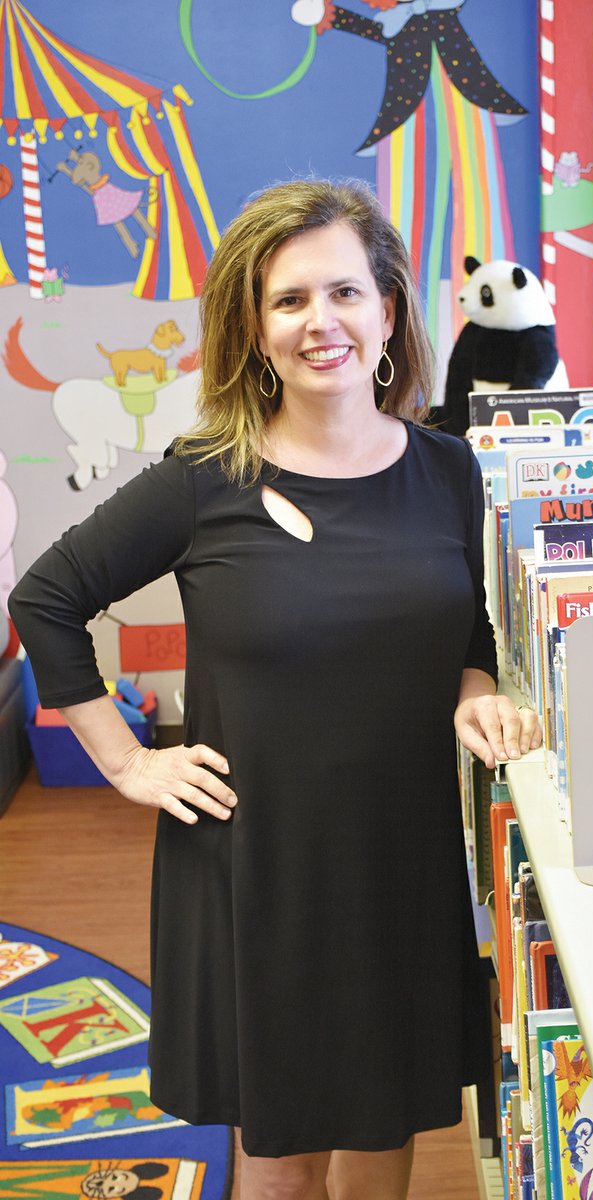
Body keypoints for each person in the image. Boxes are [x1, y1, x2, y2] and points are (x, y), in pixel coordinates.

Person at [9, 178, 541, 1200]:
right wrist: (124, 760)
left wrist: (473, 685)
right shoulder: (204, 479)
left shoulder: (446, 471)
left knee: (383, 1120)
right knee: (281, 1148)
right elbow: (46, 598)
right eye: (287, 300)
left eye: (343, 293)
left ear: (387, 310)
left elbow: (463, 623)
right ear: (252, 330)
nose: (319, 322)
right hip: (257, 865)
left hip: (400, 857)